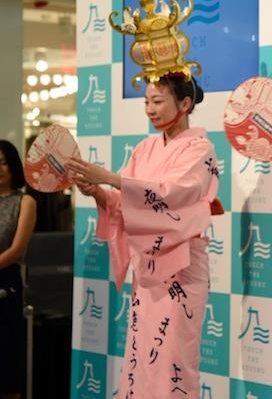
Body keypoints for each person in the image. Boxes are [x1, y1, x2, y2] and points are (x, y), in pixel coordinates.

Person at [66, 71, 220, 397]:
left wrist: (110, 178)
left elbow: (172, 194)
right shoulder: (145, 148)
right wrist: (98, 191)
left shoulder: (200, 149)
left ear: (185, 103)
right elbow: (124, 202)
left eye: (158, 101)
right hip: (148, 268)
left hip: (181, 267)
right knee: (142, 354)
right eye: (146, 101)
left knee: (174, 358)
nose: (150, 109)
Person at [0, 140, 37, 399]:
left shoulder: (25, 202)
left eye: (3, 162)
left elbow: (16, 250)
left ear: (13, 165)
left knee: (6, 364)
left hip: (6, 285)